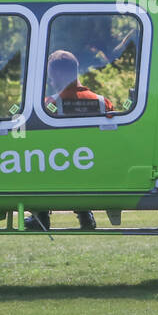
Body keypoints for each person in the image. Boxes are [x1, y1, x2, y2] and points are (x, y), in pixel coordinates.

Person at [26, 49, 106, 232]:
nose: (50, 81)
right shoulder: (103, 102)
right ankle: (85, 214)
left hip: (60, 170)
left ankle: (41, 217)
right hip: (95, 169)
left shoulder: (49, 105)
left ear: (59, 74)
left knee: (36, 156)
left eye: (51, 76)